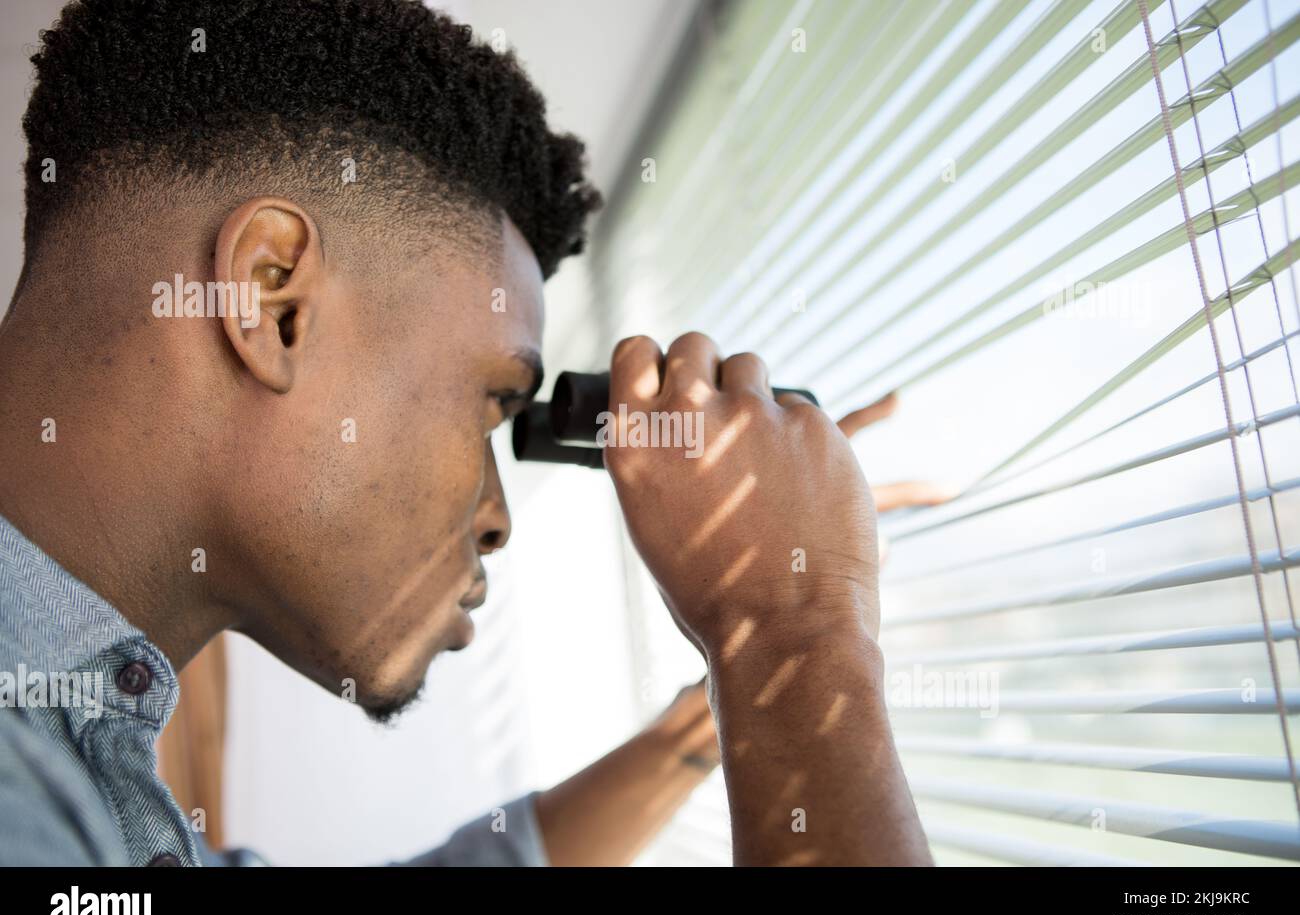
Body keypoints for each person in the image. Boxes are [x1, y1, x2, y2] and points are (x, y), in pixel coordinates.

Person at [0, 0, 936, 866]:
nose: (496, 518)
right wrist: (797, 632)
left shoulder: (78, 774)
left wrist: (746, 676)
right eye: (493, 401)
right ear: (270, 300)